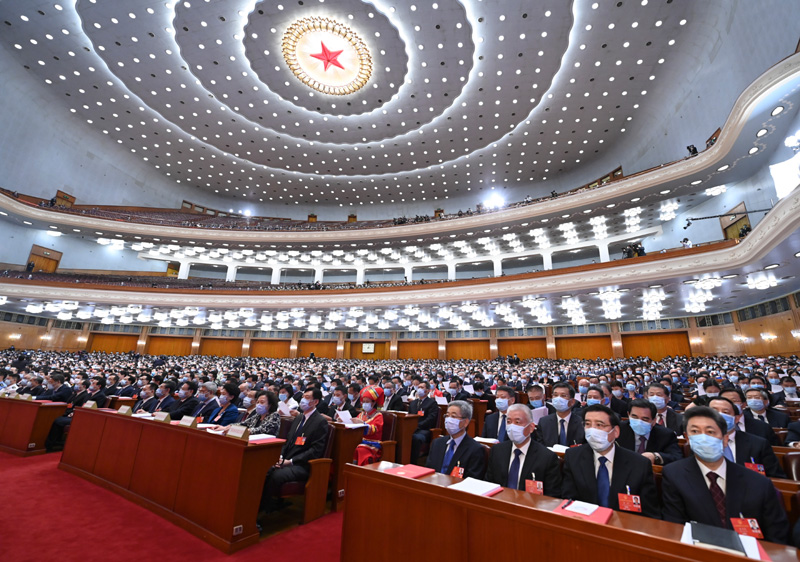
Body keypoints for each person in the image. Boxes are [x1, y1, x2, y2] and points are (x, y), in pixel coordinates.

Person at [661, 406, 790, 544]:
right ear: (687, 438)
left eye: (710, 432)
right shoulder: (674, 475)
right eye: (695, 431)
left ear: (725, 439)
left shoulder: (758, 483)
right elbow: (674, 526)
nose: (703, 438)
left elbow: (778, 536)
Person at [561, 404, 660, 519]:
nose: (592, 430)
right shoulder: (573, 456)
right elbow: (568, 499)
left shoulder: (639, 464)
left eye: (600, 425)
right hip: (584, 523)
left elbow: (650, 513)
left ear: (616, 432)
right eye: (588, 424)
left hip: (623, 526)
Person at [261, 389, 329, 514]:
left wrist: (290, 462)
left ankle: (264, 509)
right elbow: (287, 441)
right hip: (286, 459)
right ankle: (261, 504)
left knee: (276, 476)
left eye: (307, 397)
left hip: (302, 465)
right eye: (303, 396)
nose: (303, 400)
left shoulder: (320, 422)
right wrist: (280, 456)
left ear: (315, 402)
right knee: (265, 468)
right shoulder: (298, 418)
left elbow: (315, 451)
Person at [485, 404, 561, 496]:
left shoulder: (547, 457)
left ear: (531, 428)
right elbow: (489, 484)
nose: (512, 427)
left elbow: (552, 495)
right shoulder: (497, 451)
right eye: (509, 422)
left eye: (517, 422)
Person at [707, 396, 785, 478]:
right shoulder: (696, 443)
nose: (719, 416)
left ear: (736, 419)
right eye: (713, 412)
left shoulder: (758, 444)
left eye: (726, 412)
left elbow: (776, 478)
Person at [426, 400, 486, 479]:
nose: (448, 420)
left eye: (453, 416)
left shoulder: (475, 449)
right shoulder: (437, 443)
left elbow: (472, 480)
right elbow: (428, 470)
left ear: (465, 422)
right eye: (447, 416)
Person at [616, 398, 682, 465]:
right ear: (628, 415)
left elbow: (676, 457)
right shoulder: (618, 430)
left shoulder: (666, 435)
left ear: (653, 421)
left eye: (645, 419)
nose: (639, 422)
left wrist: (655, 457)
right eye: (635, 417)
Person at [45, 378, 92, 452]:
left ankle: (51, 444)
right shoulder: (75, 393)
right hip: (67, 411)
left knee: (58, 421)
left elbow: (81, 407)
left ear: (84, 386)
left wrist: (72, 413)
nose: (75, 386)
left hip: (74, 415)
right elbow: (68, 403)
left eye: (78, 384)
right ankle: (55, 441)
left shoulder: (86, 395)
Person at [536, 382, 585, 447]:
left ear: (572, 402)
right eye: (555, 395)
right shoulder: (544, 422)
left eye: (563, 395)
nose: (558, 399)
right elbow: (540, 447)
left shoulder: (581, 423)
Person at [408, 381, 439, 464]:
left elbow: (430, 419)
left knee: (415, 438)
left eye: (422, 387)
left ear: (428, 390)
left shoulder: (432, 403)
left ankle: (413, 463)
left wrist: (418, 426)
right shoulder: (413, 403)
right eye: (419, 387)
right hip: (412, 428)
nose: (420, 389)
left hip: (424, 429)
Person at [353, 387, 385, 466]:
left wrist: (363, 424)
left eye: (367, 402)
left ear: (373, 403)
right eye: (363, 401)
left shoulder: (378, 415)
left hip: (373, 444)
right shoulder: (361, 414)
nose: (364, 404)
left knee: (360, 449)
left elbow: (374, 429)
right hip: (359, 441)